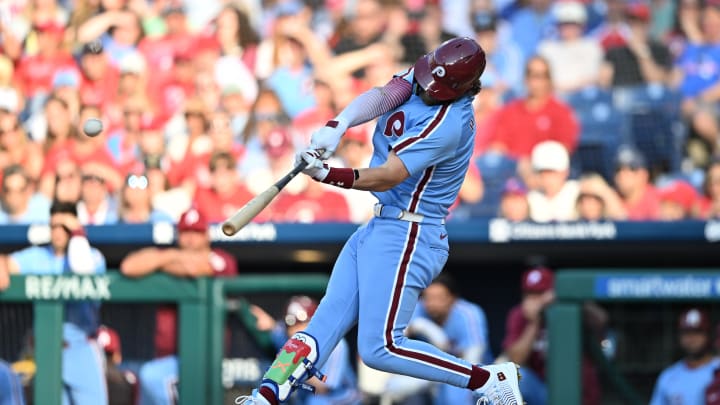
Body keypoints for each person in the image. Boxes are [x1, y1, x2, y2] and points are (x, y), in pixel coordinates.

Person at [238, 37, 523, 405]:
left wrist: (328, 174)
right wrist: (338, 124)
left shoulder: (449, 123)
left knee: (380, 347)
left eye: (436, 87)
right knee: (321, 325)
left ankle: (485, 378)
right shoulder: (428, 75)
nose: (425, 88)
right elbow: (386, 94)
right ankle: (266, 396)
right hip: (380, 224)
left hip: (411, 231)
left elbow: (390, 174)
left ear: (462, 87)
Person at [120, 207, 238, 405]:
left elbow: (198, 267)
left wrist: (160, 262)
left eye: (196, 233)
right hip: (167, 359)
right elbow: (128, 266)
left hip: (203, 358)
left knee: (150, 376)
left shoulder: (222, 258)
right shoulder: (171, 254)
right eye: (186, 233)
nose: (191, 239)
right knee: (145, 387)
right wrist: (168, 257)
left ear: (206, 235)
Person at [0, 200, 108, 405]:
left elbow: (81, 268)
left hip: (82, 348)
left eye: (64, 227)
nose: (58, 232)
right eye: (53, 226)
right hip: (47, 349)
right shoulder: (38, 256)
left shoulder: (93, 256)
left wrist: (77, 234)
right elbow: (7, 262)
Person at [502, 267, 605, 405]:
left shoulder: (571, 307)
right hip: (543, 392)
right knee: (517, 378)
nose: (535, 299)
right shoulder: (520, 315)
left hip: (577, 392)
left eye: (541, 293)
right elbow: (516, 360)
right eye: (530, 294)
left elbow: (601, 319)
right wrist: (534, 323)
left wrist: (564, 300)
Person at [250, 296, 362, 405]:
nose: (296, 329)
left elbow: (324, 389)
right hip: (307, 395)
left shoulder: (336, 345)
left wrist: (293, 370)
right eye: (291, 324)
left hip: (340, 396)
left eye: (303, 323)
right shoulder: (290, 338)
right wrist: (271, 324)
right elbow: (277, 329)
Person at [410, 273, 493, 404]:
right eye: (428, 298)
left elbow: (473, 361)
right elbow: (392, 338)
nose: (432, 303)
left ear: (452, 298)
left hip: (473, 377)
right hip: (432, 375)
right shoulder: (419, 309)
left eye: (439, 298)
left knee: (456, 388)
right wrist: (423, 326)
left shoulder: (468, 313)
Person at [651, 308, 720, 405]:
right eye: (686, 333)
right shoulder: (669, 376)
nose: (691, 339)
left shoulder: (718, 369)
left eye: (697, 332)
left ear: (708, 335)